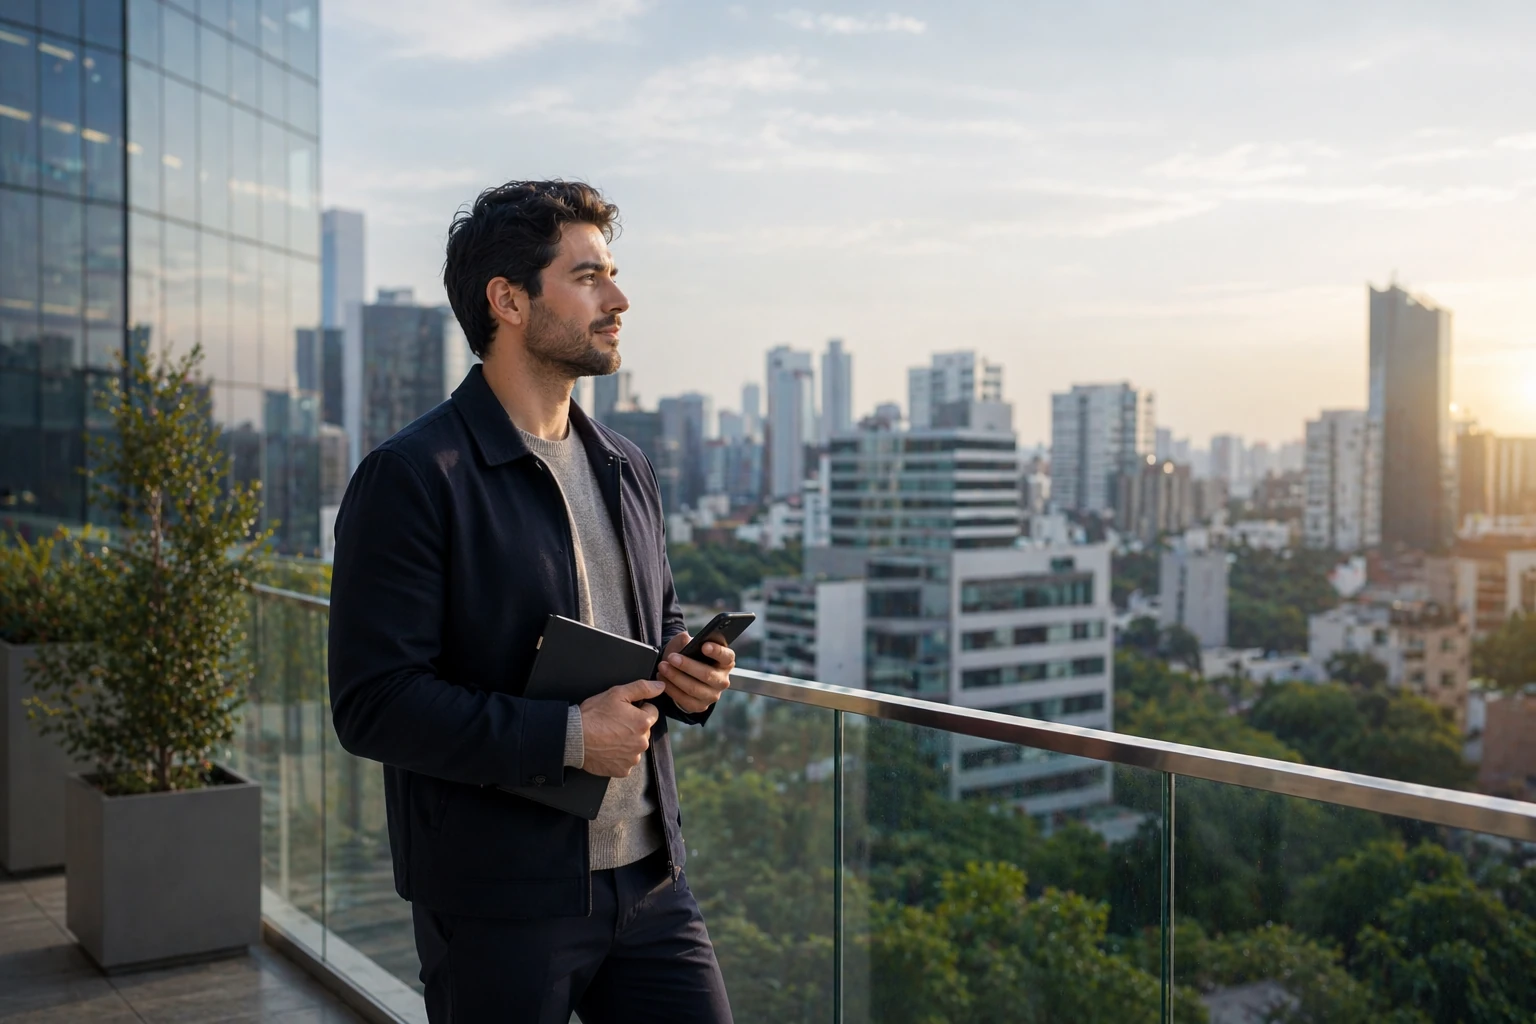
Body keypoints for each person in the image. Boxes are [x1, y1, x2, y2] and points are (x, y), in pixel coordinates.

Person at [328, 180, 735, 1023]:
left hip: (652, 880)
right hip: (499, 903)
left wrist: (684, 671)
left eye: (612, 273)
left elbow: (653, 623)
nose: (618, 299)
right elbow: (373, 705)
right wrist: (572, 737)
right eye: (587, 277)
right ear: (507, 300)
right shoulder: (412, 478)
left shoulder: (626, 466)